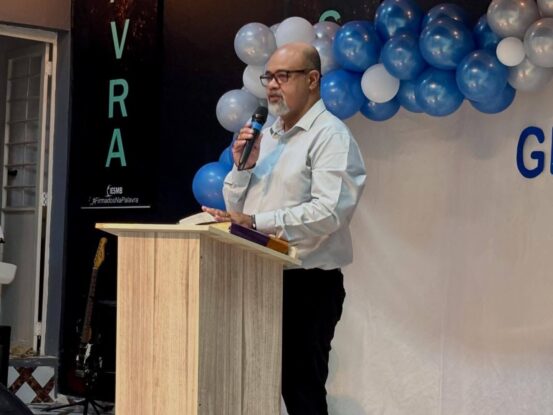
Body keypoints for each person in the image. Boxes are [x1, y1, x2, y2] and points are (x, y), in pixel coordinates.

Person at [203, 42, 366, 415]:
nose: (272, 85)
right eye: (268, 77)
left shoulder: (330, 136)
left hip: (306, 285)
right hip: (257, 277)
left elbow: (330, 212)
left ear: (312, 79)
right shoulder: (269, 137)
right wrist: (242, 168)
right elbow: (237, 210)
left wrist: (256, 223)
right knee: (252, 386)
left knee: (301, 392)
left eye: (283, 76)